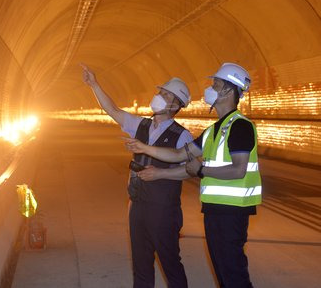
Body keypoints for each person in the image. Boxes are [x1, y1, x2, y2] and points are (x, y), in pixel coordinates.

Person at [125, 63, 261, 288]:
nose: (210, 88)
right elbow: (180, 154)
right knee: (223, 274)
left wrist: (201, 170)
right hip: (214, 209)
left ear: (229, 90)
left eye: (216, 85)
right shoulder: (213, 131)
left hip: (233, 212)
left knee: (234, 274)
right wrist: (144, 148)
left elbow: (239, 169)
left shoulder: (240, 127)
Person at [81, 63, 192, 288]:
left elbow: (191, 170)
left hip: (163, 210)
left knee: (171, 265)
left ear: (176, 104)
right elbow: (112, 111)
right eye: (160, 92)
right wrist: (94, 85)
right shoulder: (141, 125)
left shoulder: (183, 136)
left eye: (165, 94)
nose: (159, 96)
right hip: (137, 205)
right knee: (141, 266)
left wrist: (161, 173)